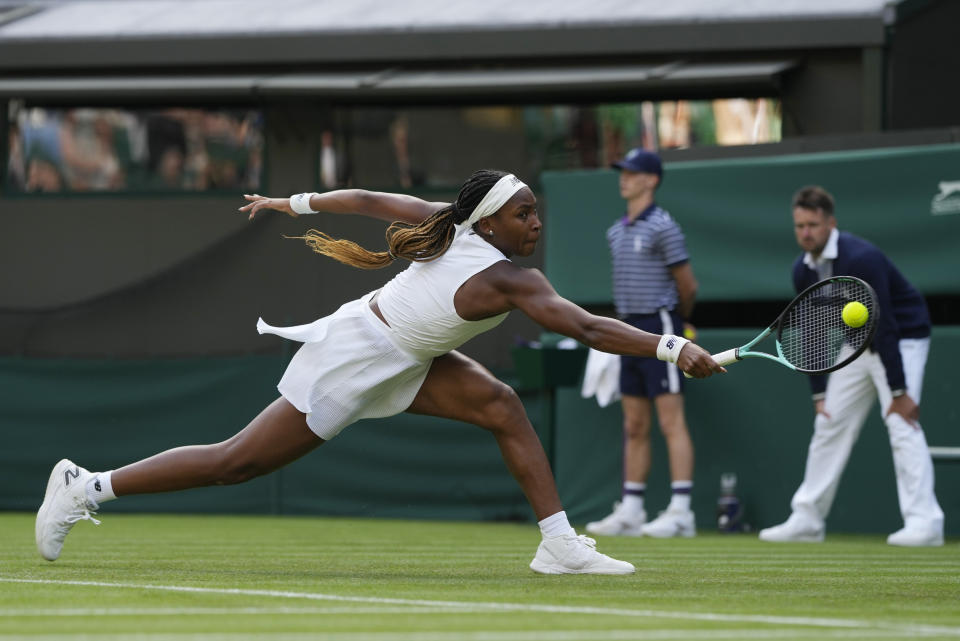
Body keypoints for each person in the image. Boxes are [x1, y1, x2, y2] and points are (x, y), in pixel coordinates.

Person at [35, 169, 726, 574]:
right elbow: (585, 326)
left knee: (502, 405)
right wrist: (670, 348)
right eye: (523, 213)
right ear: (489, 222)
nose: (534, 222)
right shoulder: (506, 274)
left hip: (412, 355)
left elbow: (367, 201)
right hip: (360, 352)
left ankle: (558, 546)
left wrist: (293, 203)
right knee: (235, 462)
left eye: (535, 212)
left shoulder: (485, 248)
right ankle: (85, 485)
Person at [759, 185, 944, 547]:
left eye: (813, 224)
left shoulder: (862, 258)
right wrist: (819, 394)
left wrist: (898, 392)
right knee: (828, 423)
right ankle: (807, 519)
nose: (806, 233)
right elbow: (810, 333)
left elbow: (886, 324)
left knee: (900, 421)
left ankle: (926, 523)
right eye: (799, 226)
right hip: (858, 343)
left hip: (902, 337)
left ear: (831, 224)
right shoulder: (802, 269)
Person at [586, 148, 700, 539]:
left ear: (651, 180)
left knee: (671, 421)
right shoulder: (615, 231)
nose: (625, 178)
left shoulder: (664, 227)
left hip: (663, 325)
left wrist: (680, 322)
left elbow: (688, 285)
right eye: (623, 172)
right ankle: (632, 510)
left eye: (633, 173)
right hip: (628, 330)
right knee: (634, 424)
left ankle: (682, 512)